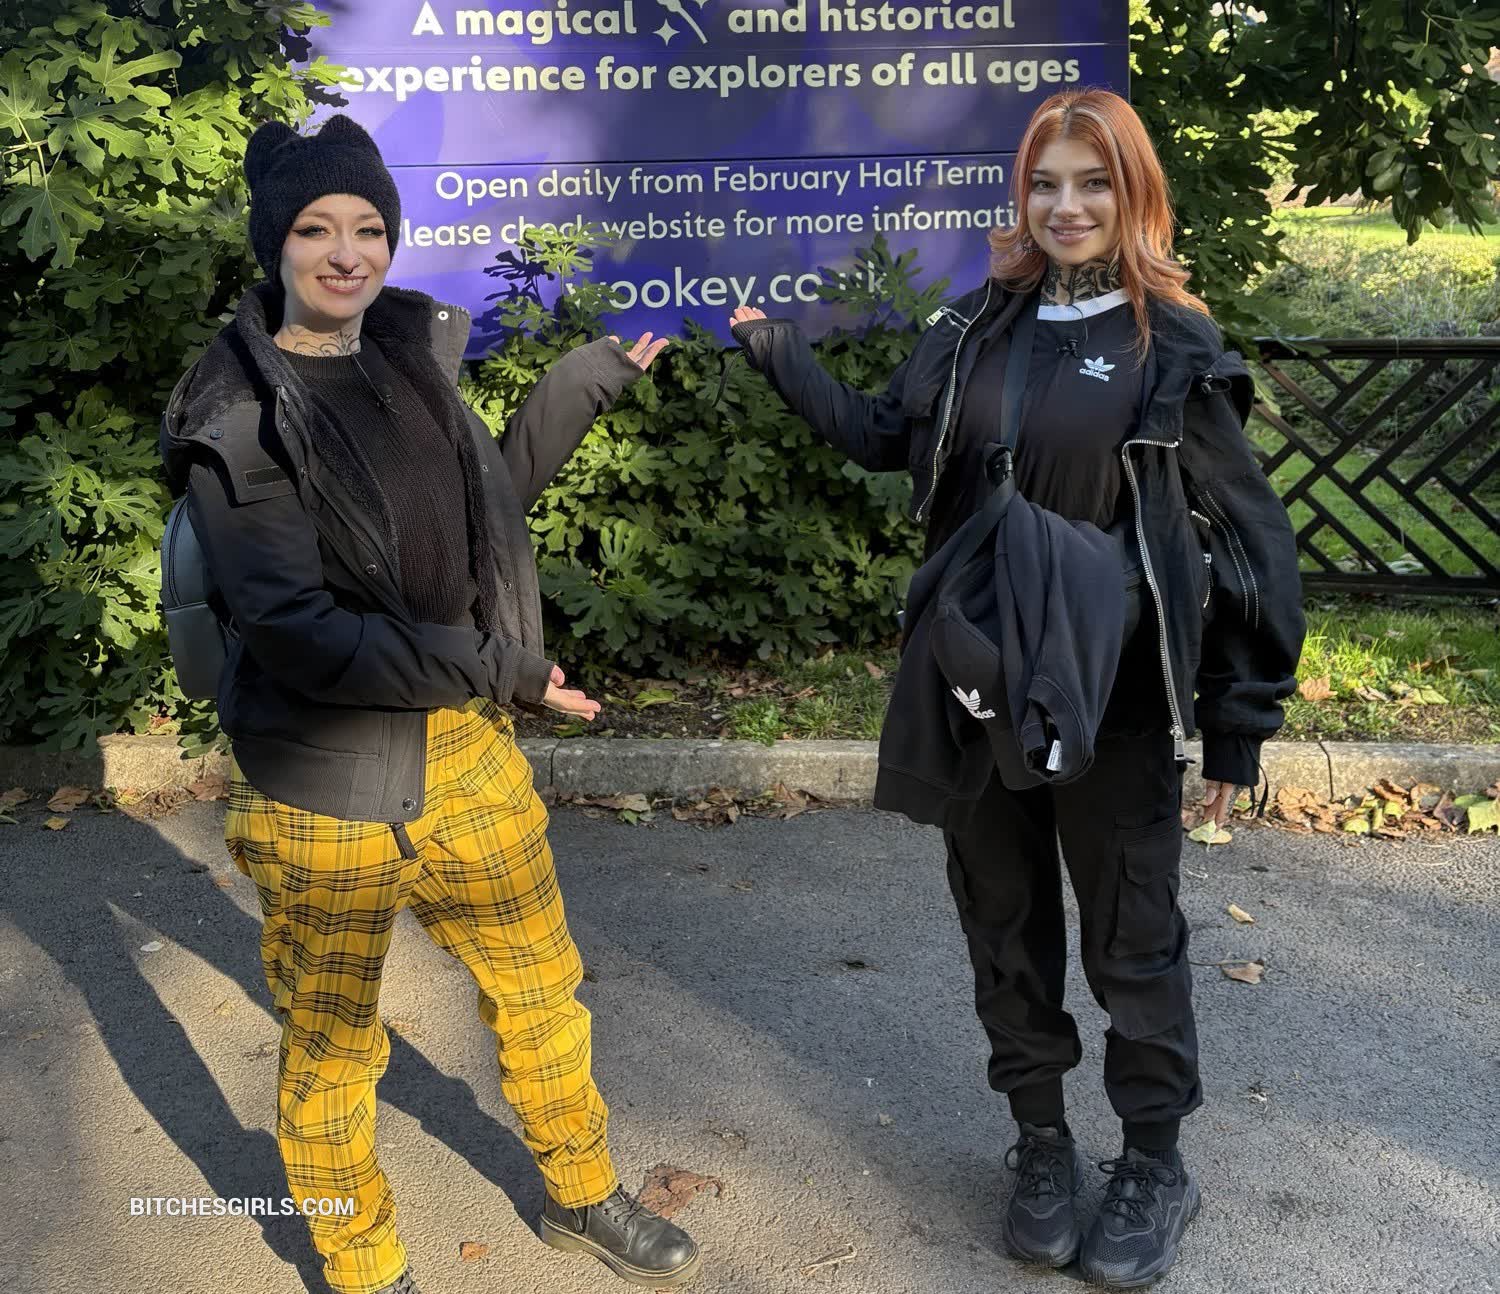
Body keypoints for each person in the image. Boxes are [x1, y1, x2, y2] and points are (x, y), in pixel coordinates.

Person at [727, 88, 1304, 1287]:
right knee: (1003, 918)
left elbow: (1250, 542)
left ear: (1134, 193)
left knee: (1132, 935)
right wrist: (779, 353)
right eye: (1046, 183)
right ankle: (1041, 1140)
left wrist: (1239, 722)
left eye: (1093, 182)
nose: (1066, 205)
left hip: (1114, 698)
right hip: (979, 683)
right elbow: (886, 435)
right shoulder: (977, 324)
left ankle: (1154, 1161)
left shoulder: (1171, 345)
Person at [159, 115, 699, 1294]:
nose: (346, 252)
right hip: (323, 781)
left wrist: (582, 381)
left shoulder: (403, 363)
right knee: (333, 1051)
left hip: (464, 748)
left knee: (543, 991)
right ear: (275, 242)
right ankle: (363, 1265)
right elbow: (303, 635)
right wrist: (502, 667)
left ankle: (580, 1191)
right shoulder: (234, 418)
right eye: (317, 229)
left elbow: (478, 515)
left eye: (368, 227)